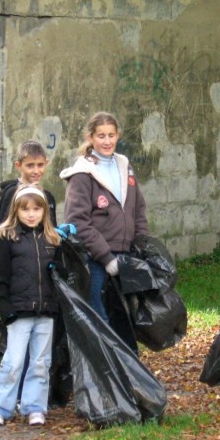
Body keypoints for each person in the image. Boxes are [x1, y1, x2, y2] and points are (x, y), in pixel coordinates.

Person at [59, 111, 149, 325]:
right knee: (98, 317)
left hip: (126, 256)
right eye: (101, 136)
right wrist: (107, 258)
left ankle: (125, 358)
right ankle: (103, 358)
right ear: (90, 138)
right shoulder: (82, 174)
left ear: (118, 135)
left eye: (111, 135)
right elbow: (77, 221)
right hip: (95, 260)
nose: (107, 141)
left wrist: (143, 245)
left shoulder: (125, 167)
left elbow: (138, 209)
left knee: (125, 317)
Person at [0, 185, 61, 426]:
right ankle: (0, 407)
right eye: (25, 210)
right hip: (19, 311)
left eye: (36, 209)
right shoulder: (9, 239)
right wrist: (5, 310)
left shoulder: (52, 240)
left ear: (44, 212)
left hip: (46, 311)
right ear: (16, 211)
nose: (31, 214)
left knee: (41, 362)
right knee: (14, 361)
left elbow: (61, 277)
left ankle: (34, 407)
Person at [0, 140, 57, 231]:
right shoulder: (11, 194)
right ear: (18, 165)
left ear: (46, 163)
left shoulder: (48, 196)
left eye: (40, 165)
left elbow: (52, 230)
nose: (36, 171)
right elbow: (1, 231)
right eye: (30, 166)